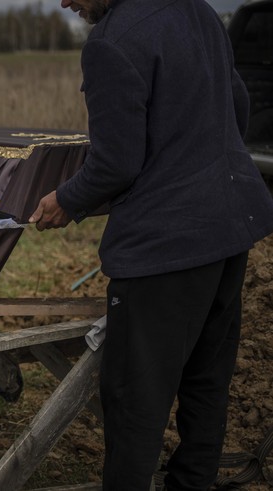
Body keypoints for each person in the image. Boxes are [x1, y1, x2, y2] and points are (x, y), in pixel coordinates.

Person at [29, 1, 273, 489]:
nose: (64, 2)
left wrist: (66, 200)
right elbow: (238, 106)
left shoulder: (111, 42)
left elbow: (116, 162)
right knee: (207, 381)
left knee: (135, 398)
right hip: (229, 228)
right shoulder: (198, 10)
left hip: (166, 247)